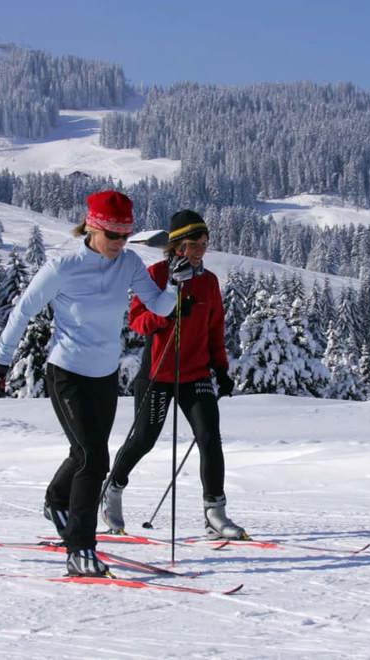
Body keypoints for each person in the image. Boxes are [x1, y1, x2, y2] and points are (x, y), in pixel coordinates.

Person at [0, 190, 191, 577]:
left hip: (104, 376)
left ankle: (56, 499)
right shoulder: (64, 266)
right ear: (92, 227)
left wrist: (174, 284)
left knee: (84, 451)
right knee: (94, 457)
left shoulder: (128, 264)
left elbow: (159, 308)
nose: (121, 244)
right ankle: (80, 549)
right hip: (67, 372)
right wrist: (0, 364)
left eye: (126, 236)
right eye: (113, 236)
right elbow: (23, 311)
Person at [101, 209, 247, 540]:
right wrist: (167, 312)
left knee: (210, 439)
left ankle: (215, 513)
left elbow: (215, 329)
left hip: (195, 375)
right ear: (177, 246)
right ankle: (111, 490)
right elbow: (138, 322)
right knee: (143, 439)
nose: (200, 251)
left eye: (205, 244)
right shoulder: (155, 275)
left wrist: (221, 368)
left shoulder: (209, 282)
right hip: (157, 374)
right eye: (195, 244)